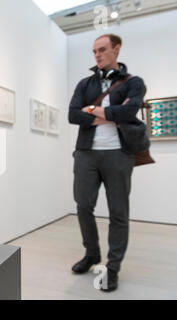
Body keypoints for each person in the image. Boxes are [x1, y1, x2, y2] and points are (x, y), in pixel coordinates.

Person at [68, 34, 146, 292]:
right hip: (86, 153)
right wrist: (108, 115)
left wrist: (90, 110)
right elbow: (72, 115)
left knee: (118, 213)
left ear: (117, 49)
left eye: (102, 50)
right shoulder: (84, 83)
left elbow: (128, 112)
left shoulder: (133, 83)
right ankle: (92, 254)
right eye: (94, 51)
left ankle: (112, 269)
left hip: (119, 154)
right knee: (83, 206)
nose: (97, 55)